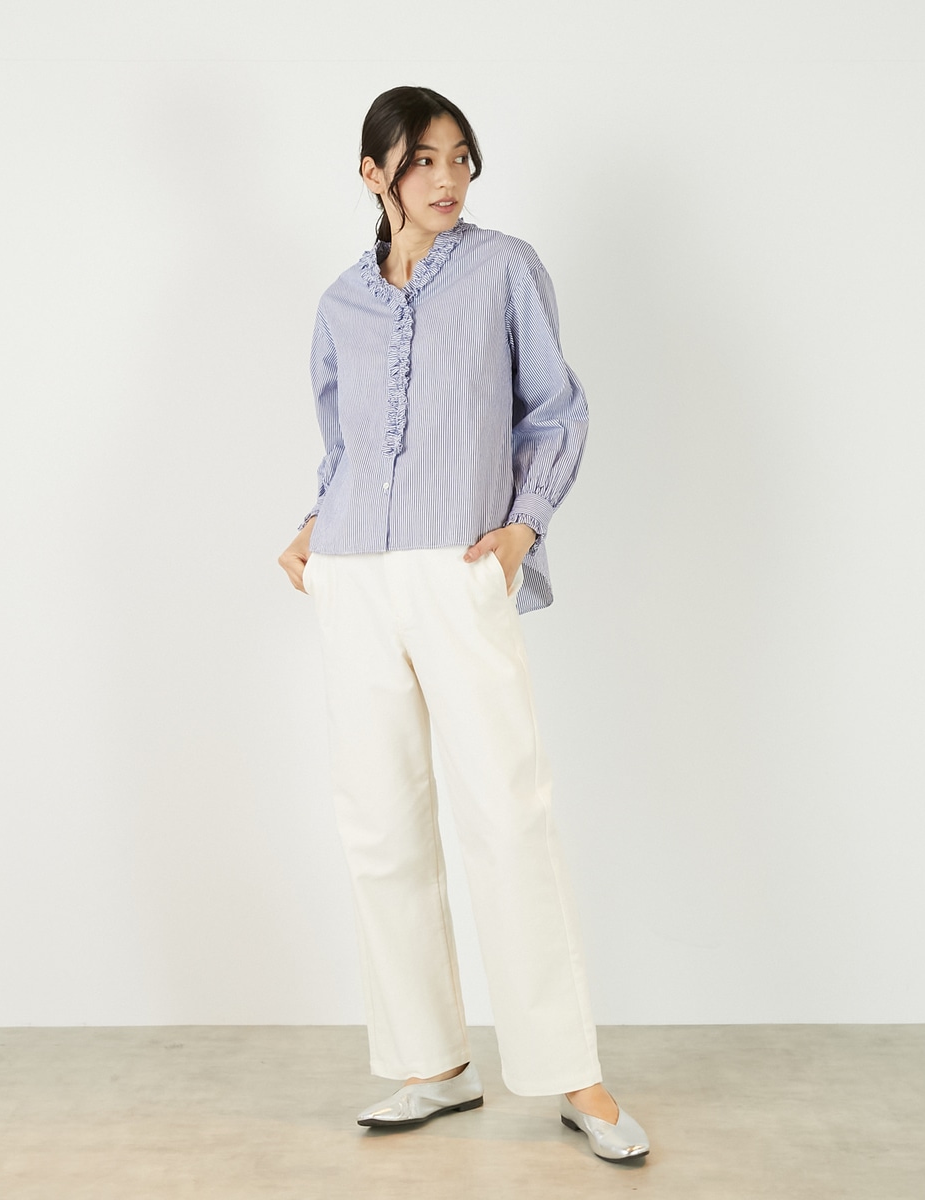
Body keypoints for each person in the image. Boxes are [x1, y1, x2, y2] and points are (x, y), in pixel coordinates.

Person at [278, 85, 649, 1164]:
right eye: (422, 160)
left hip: (459, 565)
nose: (447, 178)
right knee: (378, 821)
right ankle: (430, 1063)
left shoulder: (503, 270)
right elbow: (344, 446)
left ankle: (572, 1074)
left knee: (506, 810)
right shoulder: (339, 303)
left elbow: (557, 411)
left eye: (460, 158)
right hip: (352, 574)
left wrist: (524, 526)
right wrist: (311, 528)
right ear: (373, 175)